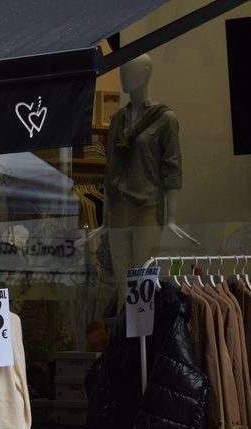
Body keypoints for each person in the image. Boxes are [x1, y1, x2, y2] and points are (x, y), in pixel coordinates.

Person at [84, 54, 198, 300]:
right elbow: (110, 168)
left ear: (146, 72)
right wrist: (104, 220)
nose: (124, 76)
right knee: (121, 278)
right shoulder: (117, 119)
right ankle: (126, 324)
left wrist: (171, 218)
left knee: (143, 276)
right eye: (122, 71)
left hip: (146, 206)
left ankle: (143, 325)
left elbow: (172, 168)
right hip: (117, 208)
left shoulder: (165, 118)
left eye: (130, 70)